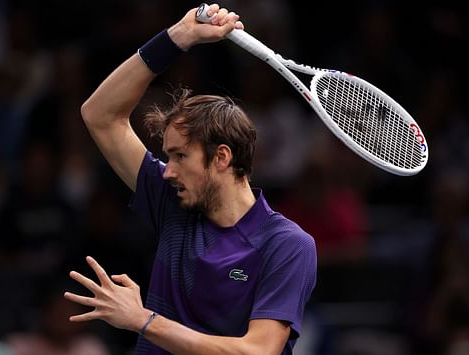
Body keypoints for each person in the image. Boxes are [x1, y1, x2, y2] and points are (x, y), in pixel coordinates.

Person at [64, 4, 317, 355]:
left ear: (222, 157)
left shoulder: (286, 245)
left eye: (181, 156)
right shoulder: (173, 201)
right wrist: (177, 38)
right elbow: (99, 114)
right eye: (168, 156)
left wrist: (143, 321)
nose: (168, 170)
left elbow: (258, 351)